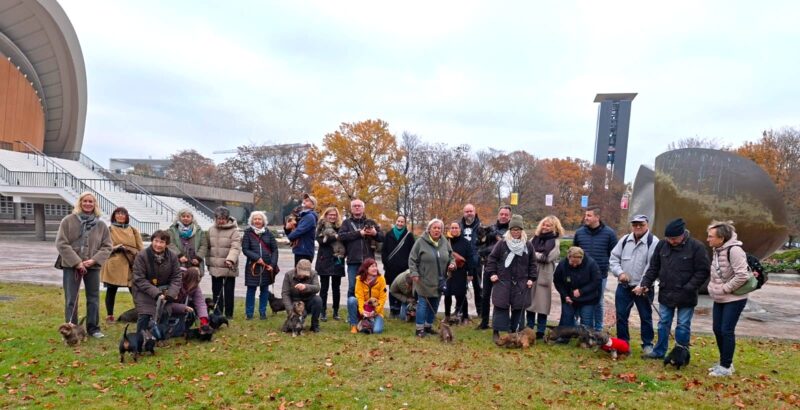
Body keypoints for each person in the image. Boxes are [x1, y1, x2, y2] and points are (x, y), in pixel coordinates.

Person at [636, 218, 710, 360]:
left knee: (682, 325)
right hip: (666, 292)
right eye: (668, 238)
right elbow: (654, 267)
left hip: (686, 294)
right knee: (663, 323)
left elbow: (703, 271)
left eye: (674, 238)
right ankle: (659, 352)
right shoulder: (662, 245)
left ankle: (681, 354)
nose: (671, 241)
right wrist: (645, 283)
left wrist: (689, 287)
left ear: (683, 234)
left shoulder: (696, 247)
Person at [55, 192, 113, 338]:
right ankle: (71, 328)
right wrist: (77, 262)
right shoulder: (68, 221)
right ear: (80, 203)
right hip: (71, 266)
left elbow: (107, 246)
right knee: (71, 298)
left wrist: (94, 260)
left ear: (95, 204)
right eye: (85, 201)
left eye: (91, 202)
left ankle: (93, 328)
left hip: (92, 266)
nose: (88, 204)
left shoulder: (101, 225)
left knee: (93, 297)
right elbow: (61, 243)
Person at [609, 214, 659, 356]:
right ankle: (623, 345)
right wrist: (620, 273)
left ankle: (648, 344)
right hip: (624, 286)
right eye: (635, 224)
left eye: (641, 224)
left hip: (643, 288)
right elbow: (613, 259)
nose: (637, 227)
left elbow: (653, 266)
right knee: (621, 316)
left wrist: (643, 284)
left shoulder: (653, 242)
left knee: (645, 316)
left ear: (647, 225)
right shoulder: (625, 240)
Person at [706, 220, 751, 377]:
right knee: (717, 329)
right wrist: (714, 289)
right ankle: (726, 362)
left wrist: (725, 288)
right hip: (720, 297)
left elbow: (742, 275)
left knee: (726, 330)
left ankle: (725, 367)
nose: (708, 239)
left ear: (722, 238)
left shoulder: (735, 251)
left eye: (711, 236)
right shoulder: (717, 249)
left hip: (735, 298)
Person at [485, 215, 537, 343]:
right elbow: (492, 259)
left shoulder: (528, 245)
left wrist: (532, 278)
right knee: (500, 306)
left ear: (522, 230)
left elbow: (533, 263)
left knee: (519, 307)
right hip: (503, 280)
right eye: (513, 230)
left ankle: (515, 331)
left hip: (521, 282)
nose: (515, 232)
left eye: (518, 230)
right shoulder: (502, 244)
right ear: (510, 230)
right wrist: (492, 273)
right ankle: (496, 331)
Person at [572, 206, 618, 331]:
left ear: (597, 217)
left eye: (589, 215)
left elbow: (615, 254)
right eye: (585, 215)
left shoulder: (610, 234)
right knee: (578, 300)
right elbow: (574, 252)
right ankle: (579, 328)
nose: (585, 218)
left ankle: (598, 329)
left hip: (600, 275)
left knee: (598, 302)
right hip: (581, 275)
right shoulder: (579, 233)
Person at [409, 218, 455, 337]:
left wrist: (452, 263)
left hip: (440, 280)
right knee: (423, 304)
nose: (436, 230)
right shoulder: (420, 242)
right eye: (434, 228)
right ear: (429, 229)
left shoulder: (445, 241)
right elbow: (412, 259)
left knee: (434, 304)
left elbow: (451, 256)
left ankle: (428, 326)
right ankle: (419, 329)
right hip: (423, 279)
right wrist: (414, 273)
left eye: (439, 228)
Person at [131, 230, 182, 333]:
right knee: (145, 314)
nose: (158, 245)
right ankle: (141, 337)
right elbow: (139, 279)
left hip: (165, 290)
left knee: (165, 312)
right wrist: (156, 293)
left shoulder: (172, 256)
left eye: (162, 242)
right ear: (152, 241)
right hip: (143, 290)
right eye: (156, 241)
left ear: (166, 244)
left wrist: (171, 294)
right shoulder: (142, 256)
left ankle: (160, 337)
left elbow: (176, 277)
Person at [99, 207, 144, 324]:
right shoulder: (109, 230)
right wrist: (116, 248)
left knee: (135, 290)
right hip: (114, 264)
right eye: (118, 214)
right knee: (111, 290)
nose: (120, 216)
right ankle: (110, 315)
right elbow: (103, 247)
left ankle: (142, 313)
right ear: (114, 216)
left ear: (126, 216)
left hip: (131, 264)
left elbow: (140, 248)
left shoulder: (133, 230)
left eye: (123, 214)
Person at [525, 215, 563, 339]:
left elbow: (548, 257)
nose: (545, 227)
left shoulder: (555, 241)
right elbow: (526, 251)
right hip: (531, 273)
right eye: (544, 224)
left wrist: (534, 254)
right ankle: (529, 328)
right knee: (529, 303)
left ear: (555, 227)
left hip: (544, 275)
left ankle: (540, 331)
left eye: (549, 225)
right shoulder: (534, 238)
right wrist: (537, 255)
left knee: (542, 304)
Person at [338, 199, 385, 297]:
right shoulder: (346, 223)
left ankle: (366, 311)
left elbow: (382, 237)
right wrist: (359, 233)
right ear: (351, 209)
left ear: (363, 208)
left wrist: (374, 233)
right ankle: (352, 311)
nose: (357, 207)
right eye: (354, 206)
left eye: (359, 205)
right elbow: (341, 236)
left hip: (368, 262)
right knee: (352, 287)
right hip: (353, 260)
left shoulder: (371, 222)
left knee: (368, 288)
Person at [477, 206, 512, 330]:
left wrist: (490, 250)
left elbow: (507, 247)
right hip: (488, 266)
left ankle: (502, 323)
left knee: (503, 296)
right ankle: (484, 322)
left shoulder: (512, 230)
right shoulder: (491, 228)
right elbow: (480, 245)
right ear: (498, 215)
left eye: (506, 214)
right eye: (501, 214)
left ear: (509, 216)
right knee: (485, 295)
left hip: (504, 268)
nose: (503, 216)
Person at [553, 247, 601, 332]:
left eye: (577, 263)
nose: (574, 265)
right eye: (572, 262)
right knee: (566, 319)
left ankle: (587, 341)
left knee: (586, 323)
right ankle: (564, 338)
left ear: (582, 258)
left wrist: (581, 291)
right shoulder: (562, 264)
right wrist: (565, 295)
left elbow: (596, 281)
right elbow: (557, 282)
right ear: (568, 257)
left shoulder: (591, 264)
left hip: (588, 298)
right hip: (569, 298)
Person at [241, 211, 278, 320]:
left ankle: (263, 312)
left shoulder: (269, 233)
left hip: (266, 267)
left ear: (263, 221)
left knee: (264, 290)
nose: (257, 221)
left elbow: (275, 250)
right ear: (251, 221)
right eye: (255, 219)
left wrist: (272, 264)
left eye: (259, 219)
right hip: (252, 267)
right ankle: (249, 314)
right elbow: (245, 249)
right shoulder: (248, 233)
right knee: (251, 290)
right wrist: (256, 258)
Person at [207, 206, 242, 319]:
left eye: (223, 218)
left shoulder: (234, 231)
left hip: (228, 266)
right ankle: (218, 313)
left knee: (228, 292)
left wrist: (230, 259)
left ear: (227, 218)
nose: (221, 220)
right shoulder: (211, 230)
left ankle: (229, 314)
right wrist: (208, 262)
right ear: (215, 218)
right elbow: (207, 247)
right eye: (219, 218)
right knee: (216, 291)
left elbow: (235, 247)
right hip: (215, 266)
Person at [315, 207, 346, 321]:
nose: (332, 217)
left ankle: (336, 311)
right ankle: (322, 312)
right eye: (330, 215)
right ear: (326, 215)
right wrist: (335, 237)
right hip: (324, 259)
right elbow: (320, 241)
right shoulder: (321, 226)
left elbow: (344, 240)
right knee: (324, 288)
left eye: (334, 215)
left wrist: (332, 237)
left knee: (336, 288)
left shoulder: (341, 227)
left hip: (338, 259)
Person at [381, 215, 415, 319]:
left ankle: (402, 310)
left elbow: (412, 252)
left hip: (403, 269)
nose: (400, 223)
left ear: (405, 223)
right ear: (395, 221)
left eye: (402, 222)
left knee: (403, 289)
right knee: (392, 289)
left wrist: (408, 266)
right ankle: (393, 310)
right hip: (391, 268)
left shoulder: (409, 236)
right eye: (398, 221)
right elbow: (384, 250)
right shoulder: (389, 234)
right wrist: (386, 263)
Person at [347, 258, 388, 334]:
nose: (375, 268)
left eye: (376, 266)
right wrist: (362, 312)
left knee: (377, 331)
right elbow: (360, 297)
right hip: (363, 309)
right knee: (351, 300)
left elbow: (383, 298)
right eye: (372, 266)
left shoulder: (381, 279)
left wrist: (375, 312)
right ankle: (354, 325)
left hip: (376, 311)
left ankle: (367, 325)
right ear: (366, 269)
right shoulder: (359, 279)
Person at [281, 259, 323, 333]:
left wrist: (306, 287)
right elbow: (285, 293)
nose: (302, 275)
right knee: (293, 321)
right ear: (296, 268)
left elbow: (317, 288)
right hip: (295, 303)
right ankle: (292, 323)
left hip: (308, 301)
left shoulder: (313, 274)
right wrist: (290, 310)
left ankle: (315, 325)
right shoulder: (288, 275)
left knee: (318, 300)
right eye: (301, 273)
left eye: (305, 274)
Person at [445, 221, 474, 323]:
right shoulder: (446, 241)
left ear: (460, 229)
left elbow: (470, 258)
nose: (454, 230)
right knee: (447, 294)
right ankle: (447, 316)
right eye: (452, 228)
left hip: (461, 272)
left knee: (461, 295)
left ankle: (464, 316)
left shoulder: (465, 242)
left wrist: (470, 273)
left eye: (456, 228)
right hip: (448, 272)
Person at [168, 266, 210, 334]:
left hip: (180, 308)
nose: (200, 279)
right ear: (192, 278)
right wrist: (183, 307)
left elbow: (200, 303)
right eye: (199, 277)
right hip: (166, 309)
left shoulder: (195, 286)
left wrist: (203, 319)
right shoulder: (175, 282)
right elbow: (166, 304)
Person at [167, 209, 209, 277]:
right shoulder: (172, 230)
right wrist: (179, 255)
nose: (185, 218)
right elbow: (170, 243)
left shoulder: (199, 231)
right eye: (183, 216)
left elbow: (203, 245)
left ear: (192, 218)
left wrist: (198, 258)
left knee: (193, 284)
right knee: (177, 283)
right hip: (178, 262)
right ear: (179, 217)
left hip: (194, 263)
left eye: (188, 216)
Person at [459, 204, 483, 319]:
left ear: (475, 212)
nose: (469, 213)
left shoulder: (481, 227)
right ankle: (462, 312)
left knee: (478, 288)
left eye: (471, 211)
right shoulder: (459, 226)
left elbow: (484, 245)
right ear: (464, 213)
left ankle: (480, 312)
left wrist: (478, 256)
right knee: (460, 287)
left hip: (476, 262)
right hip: (462, 262)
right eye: (466, 211)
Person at [284, 194, 318, 265]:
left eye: (307, 201)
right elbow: (294, 231)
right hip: (300, 249)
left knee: (302, 274)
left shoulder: (309, 217)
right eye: (304, 200)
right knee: (298, 273)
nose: (304, 201)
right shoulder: (301, 216)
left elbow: (299, 231)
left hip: (305, 251)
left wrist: (290, 237)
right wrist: (287, 228)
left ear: (313, 205)